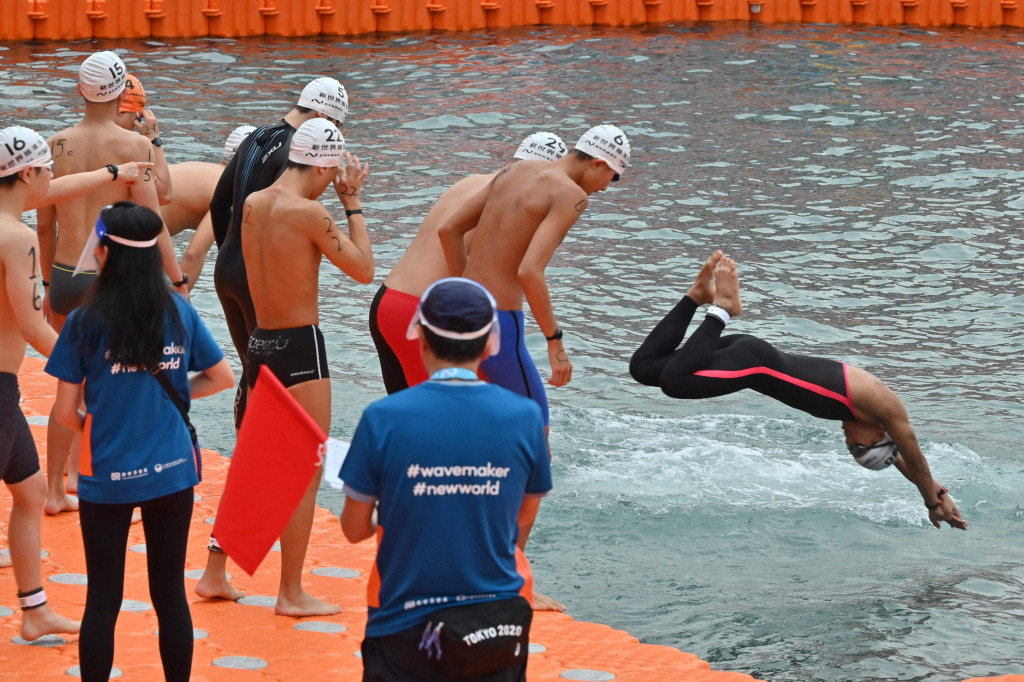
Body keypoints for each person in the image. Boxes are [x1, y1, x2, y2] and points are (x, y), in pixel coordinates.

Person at [629, 252, 968, 531]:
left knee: (645, 368)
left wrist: (938, 494)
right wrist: (930, 503)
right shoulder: (887, 409)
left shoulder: (876, 426)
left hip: (748, 356)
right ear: (881, 433)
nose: (848, 440)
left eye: (851, 449)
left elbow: (900, 460)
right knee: (675, 382)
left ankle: (697, 296)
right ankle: (724, 308)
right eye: (858, 444)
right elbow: (917, 459)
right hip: (755, 363)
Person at [45, 202, 234, 681]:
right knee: (170, 594)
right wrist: (163, 402)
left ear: (104, 252)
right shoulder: (178, 310)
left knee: (103, 598)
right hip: (172, 470)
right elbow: (222, 376)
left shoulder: (85, 321)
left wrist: (105, 421)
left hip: (107, 473)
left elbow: (66, 412)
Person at [197, 119, 373, 615]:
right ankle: (290, 592)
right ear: (322, 165)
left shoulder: (254, 203)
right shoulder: (311, 213)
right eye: (332, 173)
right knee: (303, 469)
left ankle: (215, 573)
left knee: (253, 463)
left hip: (260, 344)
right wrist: (352, 203)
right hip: (300, 350)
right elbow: (364, 269)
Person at [341, 277, 552, 682]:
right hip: (497, 615)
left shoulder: (383, 418)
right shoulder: (525, 417)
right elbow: (524, 514)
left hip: (404, 615)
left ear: (420, 339)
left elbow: (353, 530)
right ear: (491, 343)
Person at [37, 50, 189, 517]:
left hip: (64, 276)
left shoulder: (55, 143)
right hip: (112, 285)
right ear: (123, 92)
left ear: (81, 90)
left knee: (70, 387)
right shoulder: (135, 148)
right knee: (120, 386)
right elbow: (155, 222)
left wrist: (46, 282)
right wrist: (177, 278)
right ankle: (115, 483)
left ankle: (56, 491)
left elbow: (45, 225)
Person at [439, 124, 630, 431]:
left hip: (457, 316)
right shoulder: (572, 195)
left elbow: (449, 230)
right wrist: (555, 343)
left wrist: (465, 291)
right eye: (613, 176)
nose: (607, 187)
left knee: (475, 428)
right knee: (535, 430)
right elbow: (529, 271)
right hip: (499, 324)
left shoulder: (513, 172)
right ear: (597, 163)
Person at [370, 131, 567, 394]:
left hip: (386, 304)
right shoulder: (514, 201)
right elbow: (526, 272)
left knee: (412, 422)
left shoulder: (471, 182)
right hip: (422, 312)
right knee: (452, 424)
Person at [210, 76, 348, 432]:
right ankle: (267, 452)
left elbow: (218, 201)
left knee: (253, 371)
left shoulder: (258, 134)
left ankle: (245, 453)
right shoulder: (295, 155)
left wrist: (230, 251)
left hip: (226, 267)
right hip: (255, 277)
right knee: (274, 377)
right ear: (320, 113)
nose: (331, 133)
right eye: (333, 124)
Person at [0, 126, 82, 642]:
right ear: (28, 172)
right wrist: (84, 366)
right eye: (47, 169)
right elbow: (33, 325)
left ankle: (34, 612)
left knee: (30, 494)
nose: (51, 180)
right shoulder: (18, 236)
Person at [169, 125, 256, 289]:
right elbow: (193, 255)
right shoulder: (230, 191)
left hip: (112, 216)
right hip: (128, 232)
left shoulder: (207, 171)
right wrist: (178, 304)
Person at [112, 73, 172, 205]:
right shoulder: (131, 149)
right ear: (121, 112)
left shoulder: (66, 139)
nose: (136, 123)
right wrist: (153, 138)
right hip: (110, 224)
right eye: (138, 116)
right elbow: (164, 196)